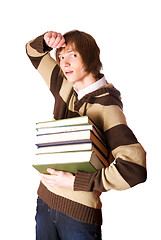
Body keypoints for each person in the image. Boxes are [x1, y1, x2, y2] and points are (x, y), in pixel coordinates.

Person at [26, 30, 147, 240]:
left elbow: (134, 169)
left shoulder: (107, 106)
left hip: (78, 214)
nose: (64, 63)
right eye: (61, 56)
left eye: (72, 55)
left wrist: (77, 182)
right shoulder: (64, 86)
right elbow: (32, 52)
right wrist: (46, 40)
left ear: (90, 58)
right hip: (45, 201)